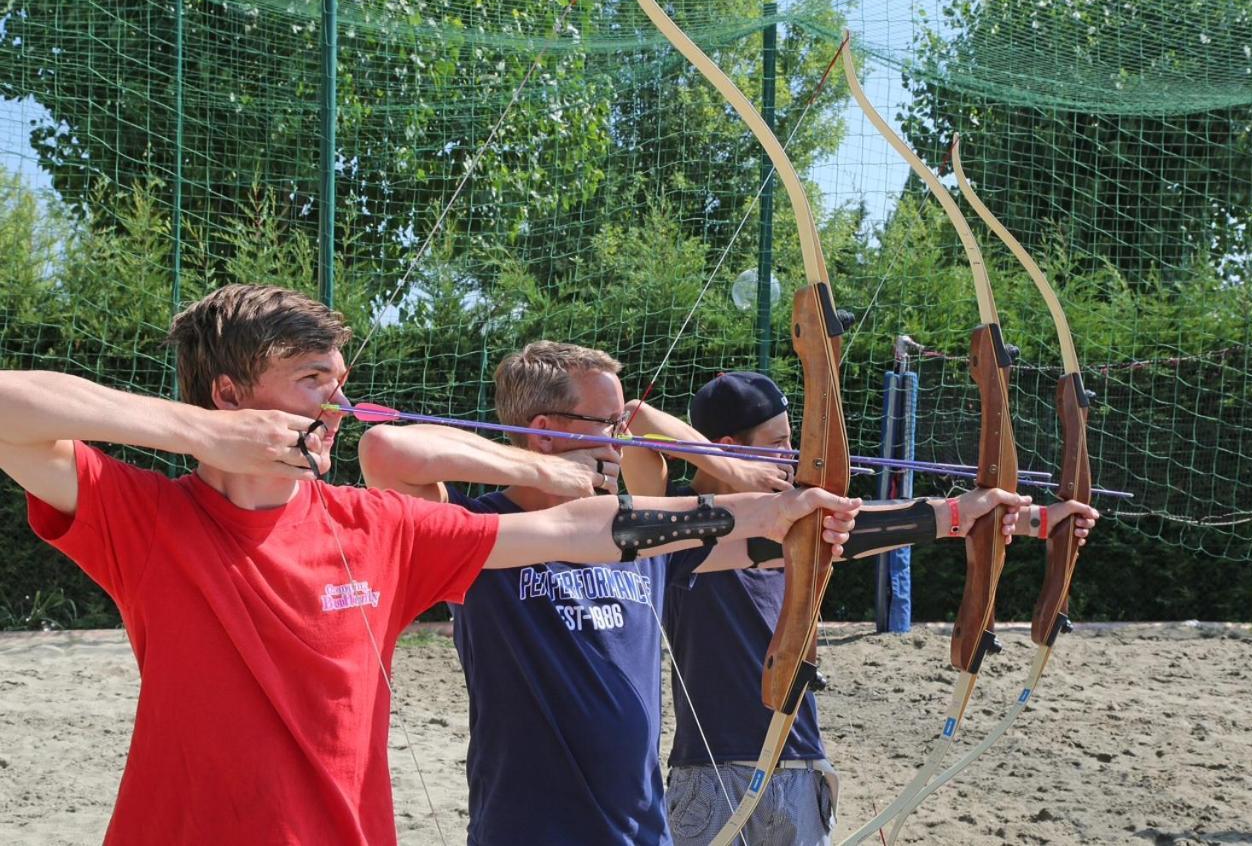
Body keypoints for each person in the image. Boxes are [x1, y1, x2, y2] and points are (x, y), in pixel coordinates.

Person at [0, 286, 862, 846]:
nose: (336, 405)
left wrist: (768, 510)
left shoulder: (377, 526)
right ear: (229, 395)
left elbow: (579, 531)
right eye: (311, 382)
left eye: (340, 382)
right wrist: (202, 435)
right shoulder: (148, 519)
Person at [357, 343, 1032, 845]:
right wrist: (541, 468)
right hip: (525, 828)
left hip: (640, 829)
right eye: (607, 425)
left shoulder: (647, 533)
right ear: (545, 429)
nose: (623, 444)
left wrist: (950, 517)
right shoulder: (475, 532)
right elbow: (386, 451)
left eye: (625, 426)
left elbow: (810, 539)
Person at [621, 371, 1100, 846]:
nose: (793, 457)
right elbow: (634, 419)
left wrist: (1041, 521)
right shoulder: (674, 523)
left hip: (801, 761)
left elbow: (866, 524)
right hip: (713, 771)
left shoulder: (797, 519)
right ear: (732, 445)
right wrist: (735, 469)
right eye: (781, 442)